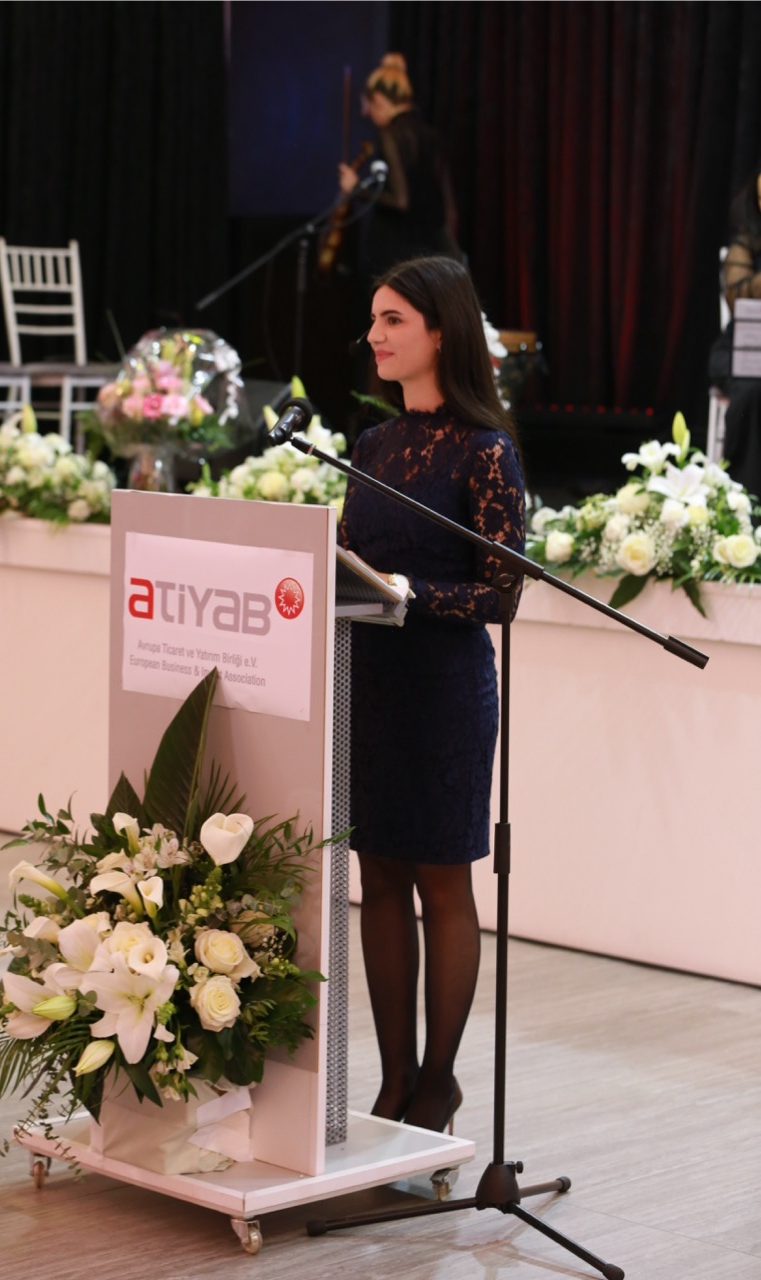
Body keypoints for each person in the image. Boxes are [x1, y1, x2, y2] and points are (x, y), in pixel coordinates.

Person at [338, 256, 526, 1132]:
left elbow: (500, 596)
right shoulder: (371, 447)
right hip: (370, 686)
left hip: (445, 692)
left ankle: (437, 1084)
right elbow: (351, 561)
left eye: (393, 321)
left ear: (441, 332)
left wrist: (411, 593)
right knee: (377, 876)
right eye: (373, 319)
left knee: (441, 885)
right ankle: (393, 1080)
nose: (373, 335)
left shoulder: (488, 452)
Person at [338, 53, 461, 281]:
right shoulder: (432, 136)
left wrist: (355, 189)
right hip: (432, 253)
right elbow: (450, 208)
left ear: (378, 100)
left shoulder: (389, 134)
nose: (365, 113)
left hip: (396, 253)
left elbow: (400, 200)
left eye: (367, 105)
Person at [709, 163, 761, 498]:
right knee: (753, 391)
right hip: (747, 350)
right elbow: (736, 297)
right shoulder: (746, 243)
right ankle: (747, 497)